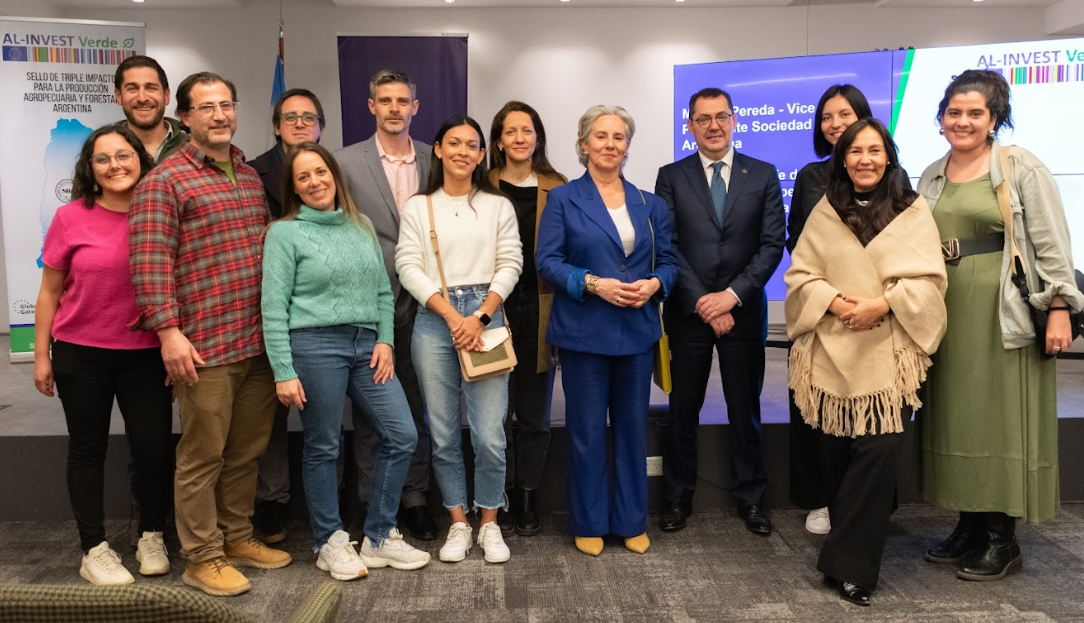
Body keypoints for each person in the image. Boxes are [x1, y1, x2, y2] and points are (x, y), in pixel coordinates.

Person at [129, 72, 290, 597]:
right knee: (203, 456)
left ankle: (237, 537)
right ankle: (202, 556)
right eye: (207, 107)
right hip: (204, 348)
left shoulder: (246, 176)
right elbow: (150, 262)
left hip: (258, 343)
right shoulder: (165, 180)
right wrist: (169, 334)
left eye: (226, 104)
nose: (219, 115)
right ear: (185, 117)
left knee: (246, 452)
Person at [917, 69, 1083, 582]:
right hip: (947, 310)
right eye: (954, 112)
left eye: (975, 113)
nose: (962, 121)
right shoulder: (932, 172)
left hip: (1002, 311)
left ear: (994, 119)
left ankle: (1000, 538)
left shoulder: (1018, 166)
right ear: (941, 117)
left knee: (999, 418)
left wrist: (1059, 306)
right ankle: (968, 525)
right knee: (958, 415)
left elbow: (1050, 240)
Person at [786, 118, 947, 606]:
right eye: (855, 151)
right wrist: (835, 302)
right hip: (832, 352)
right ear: (842, 158)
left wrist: (885, 303)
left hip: (889, 354)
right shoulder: (825, 209)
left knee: (877, 455)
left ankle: (852, 568)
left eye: (875, 150)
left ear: (889, 155)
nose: (865, 159)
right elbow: (800, 276)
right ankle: (848, 553)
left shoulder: (911, 209)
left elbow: (931, 282)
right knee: (835, 456)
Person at [262, 142, 430, 581]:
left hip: (366, 345)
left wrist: (386, 341)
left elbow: (381, 291)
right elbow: (273, 306)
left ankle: (377, 537)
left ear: (334, 174)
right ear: (293, 188)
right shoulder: (284, 233)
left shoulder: (362, 225)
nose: (315, 182)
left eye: (321, 172)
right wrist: (283, 370)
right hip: (314, 345)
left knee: (402, 433)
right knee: (323, 444)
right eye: (303, 177)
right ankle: (329, 541)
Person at [33, 125, 173, 586]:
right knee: (87, 449)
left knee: (153, 448)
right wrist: (41, 356)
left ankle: (151, 534)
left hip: (147, 353)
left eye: (124, 155)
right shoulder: (70, 218)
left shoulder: (161, 215)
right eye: (103, 159)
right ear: (90, 170)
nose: (115, 165)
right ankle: (93, 548)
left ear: (140, 159)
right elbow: (50, 291)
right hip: (81, 352)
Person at [537, 105, 677, 557]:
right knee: (587, 432)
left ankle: (631, 520)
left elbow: (671, 264)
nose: (610, 144)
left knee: (634, 430)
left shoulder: (650, 204)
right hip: (584, 334)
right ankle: (591, 521)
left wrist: (656, 283)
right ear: (583, 145)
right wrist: (593, 284)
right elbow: (548, 263)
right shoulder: (563, 199)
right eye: (600, 136)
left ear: (628, 146)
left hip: (637, 333)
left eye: (619, 137)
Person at [654, 87, 785, 535]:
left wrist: (731, 297)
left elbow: (771, 246)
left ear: (734, 121)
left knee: (744, 408)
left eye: (721, 117)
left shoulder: (763, 175)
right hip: (688, 312)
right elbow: (667, 244)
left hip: (744, 311)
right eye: (703, 118)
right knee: (683, 409)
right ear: (689, 125)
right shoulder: (671, 176)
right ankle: (677, 499)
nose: (713, 126)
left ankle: (752, 500)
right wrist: (703, 301)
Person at [395, 115, 523, 564]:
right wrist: (453, 316)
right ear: (438, 149)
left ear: (482, 154)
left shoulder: (497, 206)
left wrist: (480, 315)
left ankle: (489, 523)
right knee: (445, 433)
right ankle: (458, 523)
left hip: (487, 316)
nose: (463, 152)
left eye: (472, 145)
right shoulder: (418, 206)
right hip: (435, 319)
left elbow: (511, 263)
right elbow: (408, 266)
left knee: (489, 434)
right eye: (454, 143)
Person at [336, 69, 438, 541]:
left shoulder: (434, 159)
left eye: (403, 100)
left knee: (419, 405)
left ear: (415, 107)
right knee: (372, 408)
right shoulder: (344, 162)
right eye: (385, 100)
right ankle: (372, 502)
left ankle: (416, 499)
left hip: (427, 299)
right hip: (369, 300)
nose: (394, 108)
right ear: (371, 106)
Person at [785, 84, 873, 536]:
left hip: (873, 313)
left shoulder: (889, 176)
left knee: (868, 413)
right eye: (827, 117)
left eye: (844, 115)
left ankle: (865, 501)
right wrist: (829, 295)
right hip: (819, 309)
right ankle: (820, 499)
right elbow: (796, 241)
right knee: (814, 408)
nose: (835, 124)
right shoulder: (809, 176)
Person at [248, 88, 327, 545]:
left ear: (319, 126)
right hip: (271, 301)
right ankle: (272, 501)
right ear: (276, 125)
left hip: (321, 307)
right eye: (290, 117)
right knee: (272, 412)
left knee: (325, 414)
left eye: (308, 117)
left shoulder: (328, 171)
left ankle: (328, 504)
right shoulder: (252, 172)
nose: (299, 124)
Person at [487, 101, 567, 537]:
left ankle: (528, 496)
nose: (519, 138)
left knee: (534, 413)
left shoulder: (560, 187)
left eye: (527, 130)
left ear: (537, 137)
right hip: (492, 308)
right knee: (495, 414)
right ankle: (498, 497)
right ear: (498, 140)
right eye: (510, 131)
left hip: (541, 308)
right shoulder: (480, 186)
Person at [113, 55, 187, 163]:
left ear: (166, 96)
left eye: (151, 88)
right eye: (132, 89)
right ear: (119, 96)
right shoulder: (101, 149)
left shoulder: (194, 146)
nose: (142, 98)